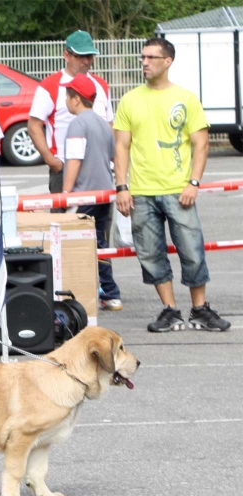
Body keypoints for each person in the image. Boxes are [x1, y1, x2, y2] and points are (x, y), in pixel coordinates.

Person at [113, 38, 230, 333]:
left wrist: (193, 183)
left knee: (191, 250)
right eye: (142, 57)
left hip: (179, 191)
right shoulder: (130, 100)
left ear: (168, 61)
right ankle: (170, 310)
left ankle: (200, 309)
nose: (145, 62)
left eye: (152, 57)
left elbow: (201, 144)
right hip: (141, 191)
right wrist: (121, 187)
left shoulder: (187, 98)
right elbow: (121, 146)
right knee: (151, 254)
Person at [61, 74, 122, 311]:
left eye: (67, 96)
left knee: (72, 246)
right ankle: (110, 292)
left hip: (82, 194)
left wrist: (65, 193)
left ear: (76, 99)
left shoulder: (78, 124)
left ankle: (78, 293)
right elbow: (113, 158)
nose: (66, 101)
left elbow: (74, 160)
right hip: (104, 193)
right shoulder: (103, 124)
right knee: (99, 243)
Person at [27, 30, 113, 198]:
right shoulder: (50, 85)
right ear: (66, 55)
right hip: (64, 168)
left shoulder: (101, 85)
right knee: (64, 221)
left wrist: (113, 160)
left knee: (100, 222)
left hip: (99, 168)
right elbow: (33, 125)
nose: (86, 61)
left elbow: (110, 125)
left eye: (89, 56)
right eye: (80, 56)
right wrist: (51, 160)